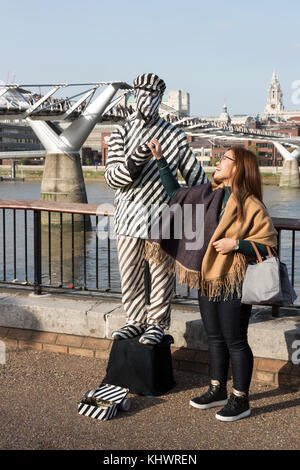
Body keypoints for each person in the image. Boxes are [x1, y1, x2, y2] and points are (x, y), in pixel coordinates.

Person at [145, 141, 277, 421]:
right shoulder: (209, 195)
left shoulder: (251, 205)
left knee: (235, 340)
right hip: (208, 278)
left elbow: (269, 246)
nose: (218, 162)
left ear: (238, 168)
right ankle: (216, 389)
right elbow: (175, 194)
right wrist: (160, 159)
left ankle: (240, 399)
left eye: (224, 159)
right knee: (214, 337)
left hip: (233, 280)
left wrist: (237, 244)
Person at [104, 73, 207, 345]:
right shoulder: (121, 132)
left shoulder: (175, 136)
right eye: (141, 94)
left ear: (160, 99)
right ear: (134, 96)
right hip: (128, 219)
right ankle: (135, 320)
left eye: (152, 96)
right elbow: (111, 178)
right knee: (129, 273)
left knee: (162, 277)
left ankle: (157, 324)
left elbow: (198, 181)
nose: (146, 100)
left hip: (164, 221)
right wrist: (134, 160)